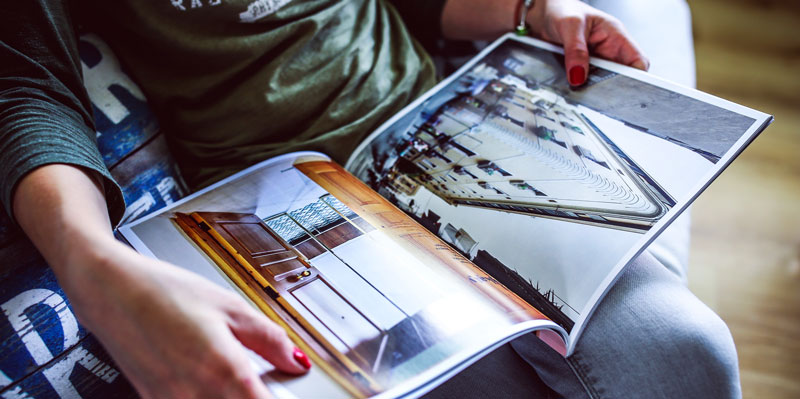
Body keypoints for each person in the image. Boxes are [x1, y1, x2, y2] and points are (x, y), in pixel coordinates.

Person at [0, 0, 740, 398]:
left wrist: (531, 8)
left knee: (685, 356)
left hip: (443, 124)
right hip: (288, 205)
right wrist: (92, 263)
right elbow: (27, 85)